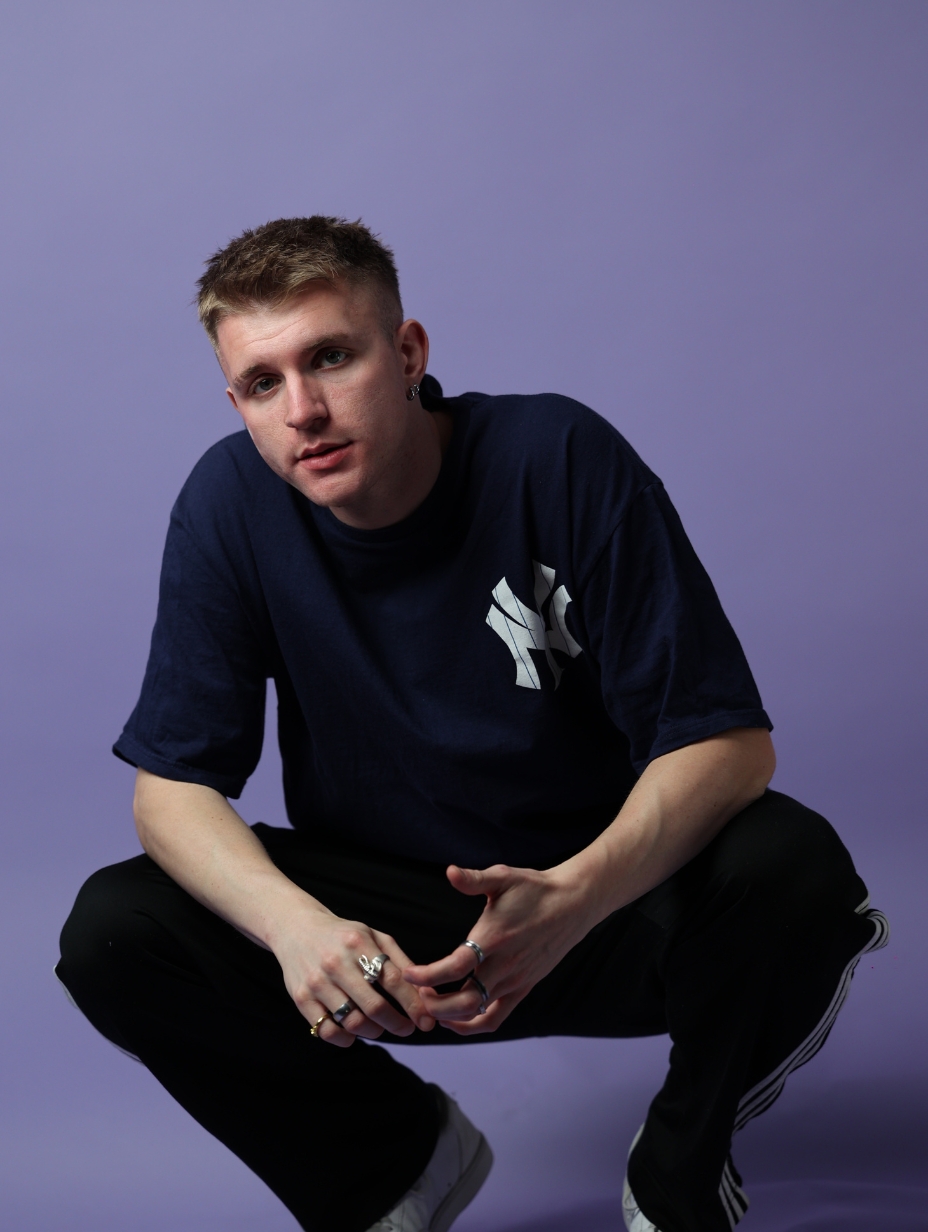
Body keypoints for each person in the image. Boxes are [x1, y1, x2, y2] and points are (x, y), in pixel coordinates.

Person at [57, 216, 888, 1232]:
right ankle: (396, 1165)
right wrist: (297, 929)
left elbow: (726, 743)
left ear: (406, 353)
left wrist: (576, 896)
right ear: (238, 405)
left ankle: (676, 1172)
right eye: (264, 382)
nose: (305, 409)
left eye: (331, 355)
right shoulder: (229, 505)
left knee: (793, 868)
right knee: (115, 928)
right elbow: (172, 788)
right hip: (386, 946)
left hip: (603, 899)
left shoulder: (557, 455)